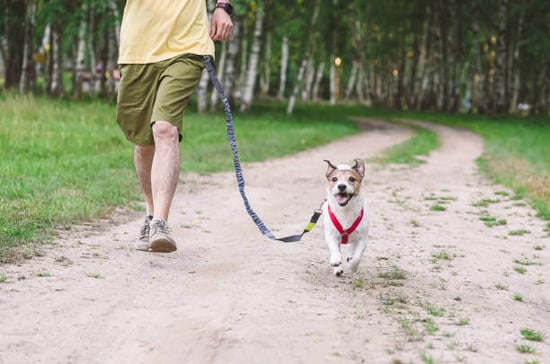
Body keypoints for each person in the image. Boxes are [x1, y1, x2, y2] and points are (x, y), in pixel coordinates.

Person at [116, 1, 234, 252]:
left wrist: (223, 6)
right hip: (138, 49)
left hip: (187, 46)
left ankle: (161, 222)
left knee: (164, 128)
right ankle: (150, 214)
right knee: (143, 142)